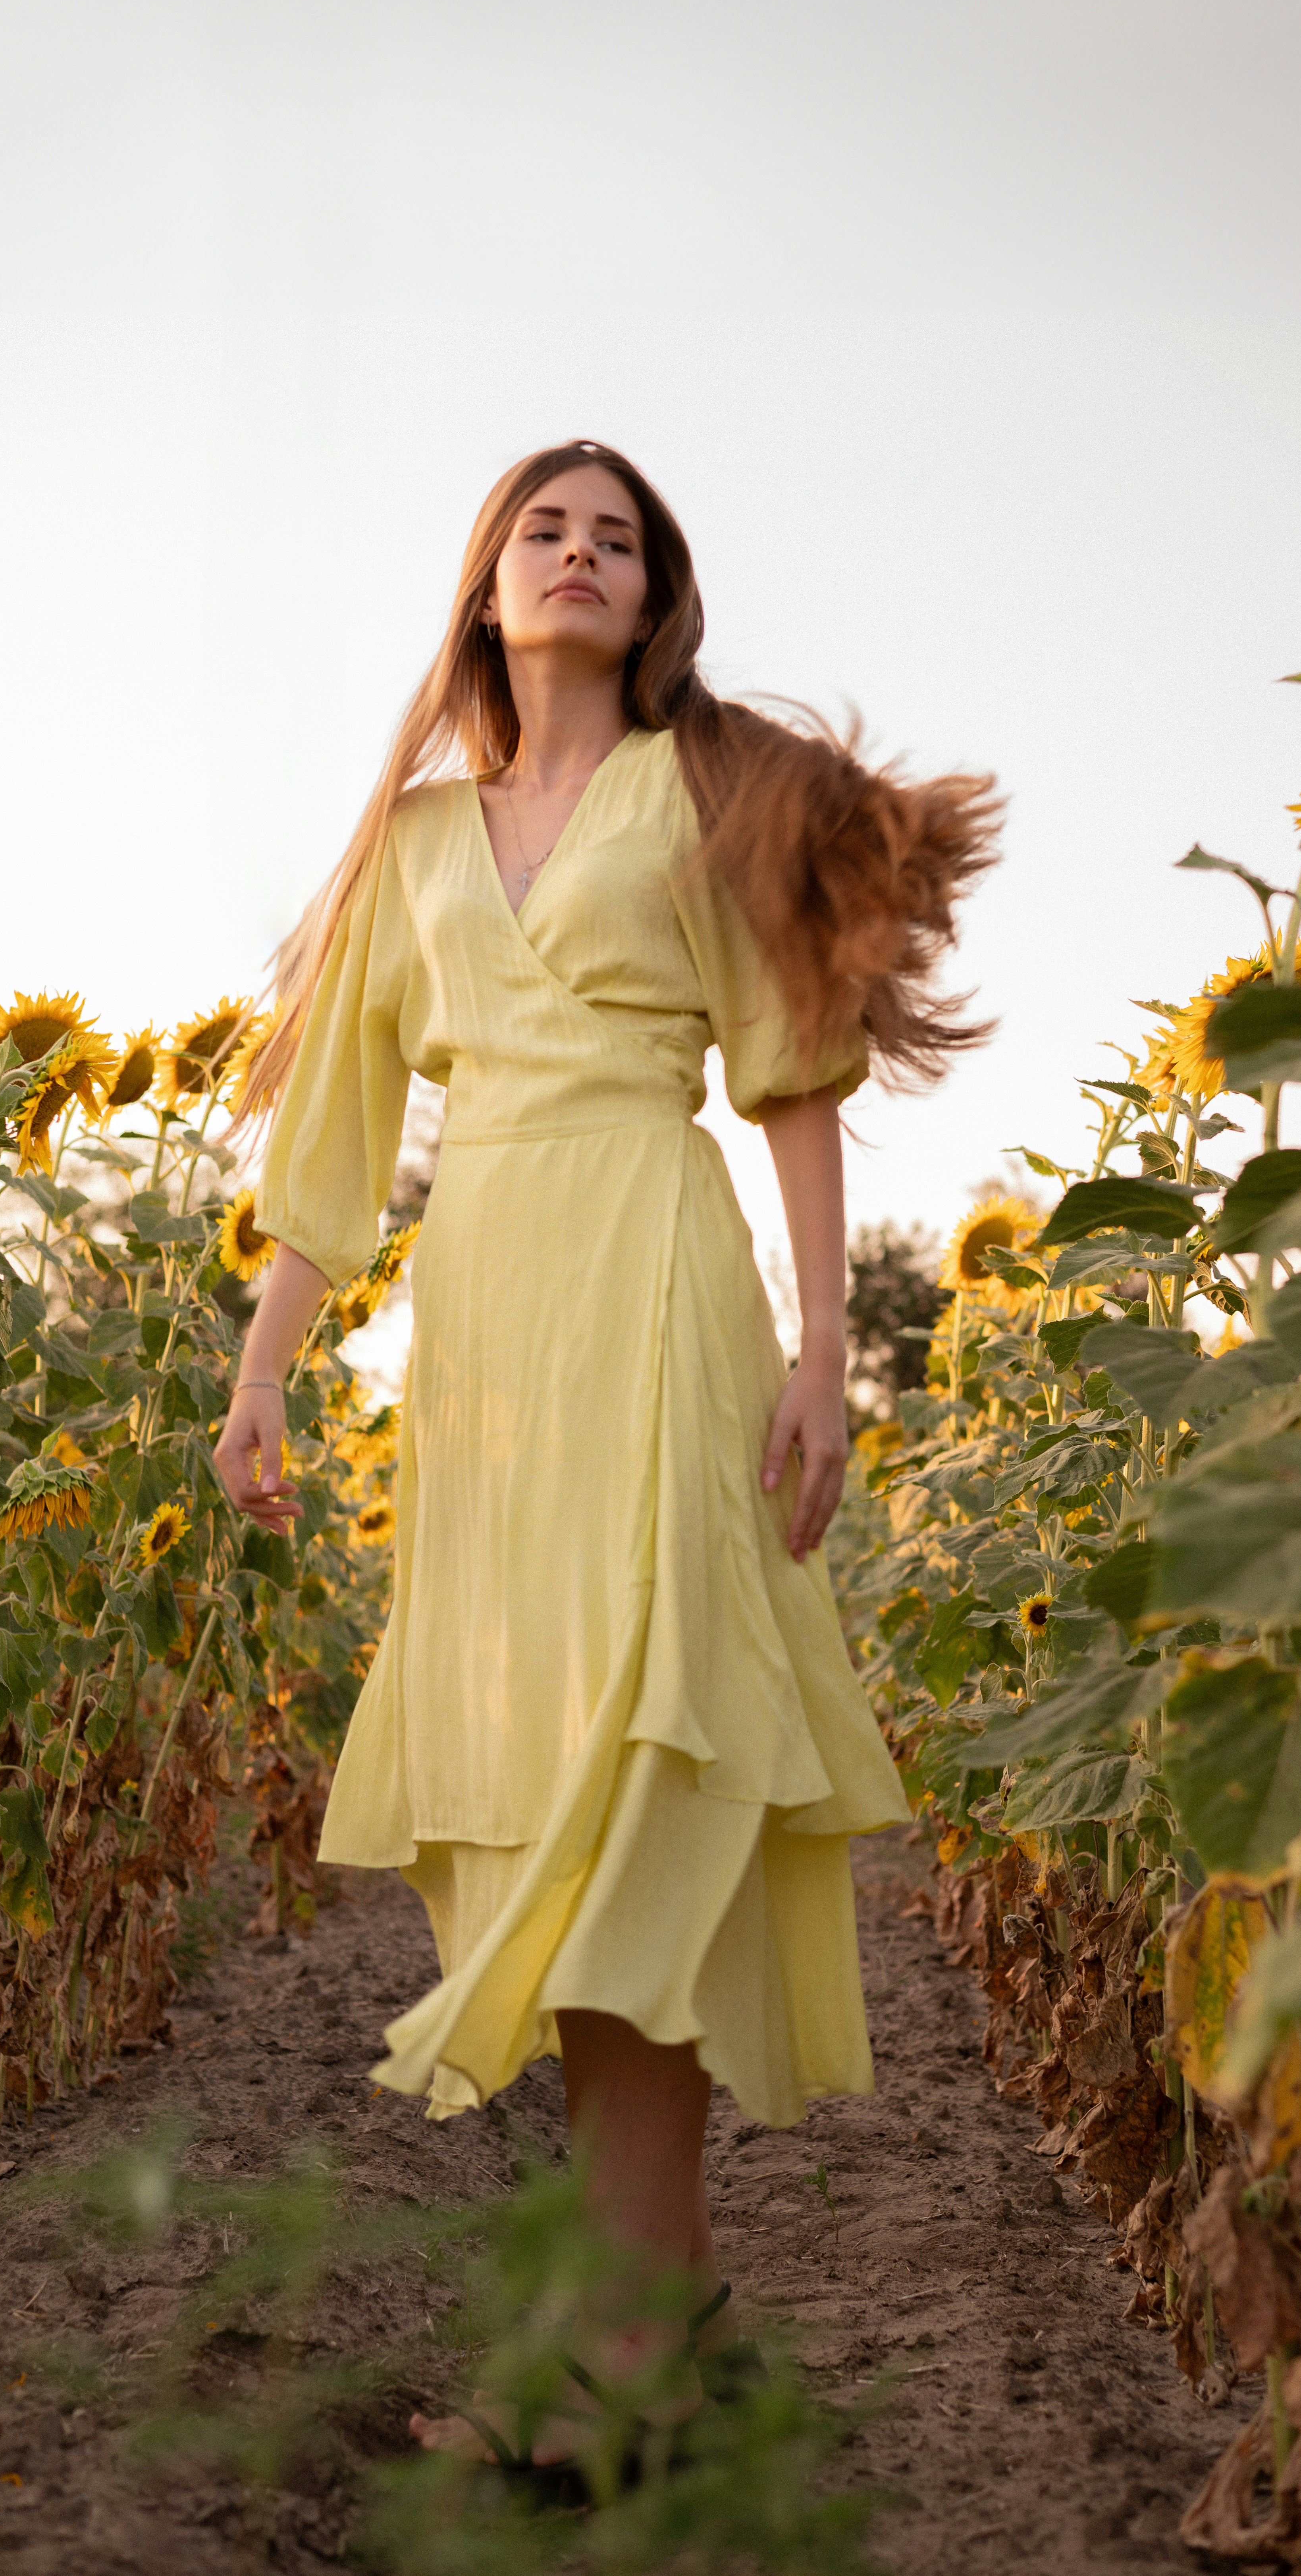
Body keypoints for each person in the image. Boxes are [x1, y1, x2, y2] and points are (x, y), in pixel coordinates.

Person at [214, 439, 997, 2468]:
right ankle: (660, 2326)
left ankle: (620, 2367)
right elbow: (331, 1142)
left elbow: (794, 1073)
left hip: (654, 1280)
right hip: (479, 1325)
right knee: (536, 1817)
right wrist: (267, 1368)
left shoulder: (706, 796)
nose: (579, 555)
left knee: (638, 1790)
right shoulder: (411, 841)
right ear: (488, 588)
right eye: (543, 531)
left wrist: (827, 1345)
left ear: (654, 604)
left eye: (617, 538)